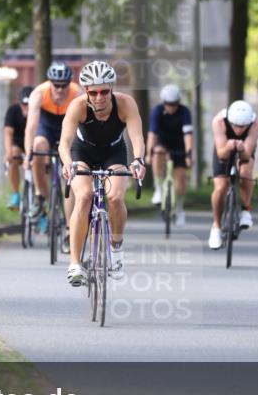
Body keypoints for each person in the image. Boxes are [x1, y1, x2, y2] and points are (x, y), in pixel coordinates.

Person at [60, 60, 146, 286]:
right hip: (83, 152)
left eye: (105, 91)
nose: (100, 97)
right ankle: (75, 263)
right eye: (94, 92)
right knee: (85, 196)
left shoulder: (126, 104)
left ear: (112, 88)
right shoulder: (77, 106)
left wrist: (138, 161)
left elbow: (137, 138)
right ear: (86, 92)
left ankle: (116, 250)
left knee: (116, 197)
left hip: (113, 152)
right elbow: (64, 143)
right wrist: (68, 163)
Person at [24, 62, 83, 232]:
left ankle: (69, 230)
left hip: (68, 125)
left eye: (64, 85)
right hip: (47, 125)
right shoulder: (39, 94)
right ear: (50, 82)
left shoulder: (77, 93)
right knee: (38, 145)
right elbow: (31, 126)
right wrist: (29, 153)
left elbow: (84, 124)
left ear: (69, 83)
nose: (60, 89)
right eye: (56, 85)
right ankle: (40, 195)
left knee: (69, 179)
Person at [208, 100, 258, 250]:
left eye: (242, 127)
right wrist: (229, 146)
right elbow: (221, 154)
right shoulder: (219, 121)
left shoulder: (256, 125)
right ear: (230, 121)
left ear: (249, 123)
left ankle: (246, 210)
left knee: (245, 171)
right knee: (220, 187)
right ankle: (216, 227)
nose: (238, 130)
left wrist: (241, 148)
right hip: (223, 147)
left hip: (245, 149)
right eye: (235, 126)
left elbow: (246, 156)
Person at [147, 84, 194, 226]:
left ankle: (179, 208)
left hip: (179, 145)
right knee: (157, 152)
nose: (171, 107)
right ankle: (159, 189)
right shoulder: (157, 111)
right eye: (168, 104)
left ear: (178, 102)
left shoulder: (185, 112)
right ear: (163, 102)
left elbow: (188, 135)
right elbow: (152, 134)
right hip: (163, 143)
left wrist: (189, 155)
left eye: (174, 104)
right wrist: (149, 153)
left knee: (180, 181)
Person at [2, 85, 32, 209]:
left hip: (34, 144)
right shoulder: (13, 111)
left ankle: (41, 203)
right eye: (24, 104)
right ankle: (15, 194)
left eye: (30, 104)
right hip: (19, 144)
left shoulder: (40, 111)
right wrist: (8, 152)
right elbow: (8, 132)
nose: (27, 107)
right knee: (13, 157)